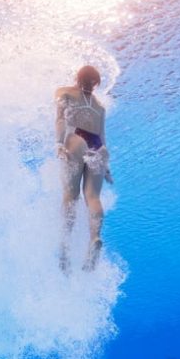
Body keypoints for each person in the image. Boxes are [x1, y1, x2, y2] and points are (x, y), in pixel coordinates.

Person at [55, 65, 113, 273]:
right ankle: (95, 237)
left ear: (77, 78)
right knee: (93, 197)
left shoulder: (65, 93)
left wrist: (59, 143)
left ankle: (65, 245)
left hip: (77, 139)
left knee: (71, 194)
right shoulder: (99, 107)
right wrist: (106, 169)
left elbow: (61, 120)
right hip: (98, 147)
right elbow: (103, 137)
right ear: (95, 82)